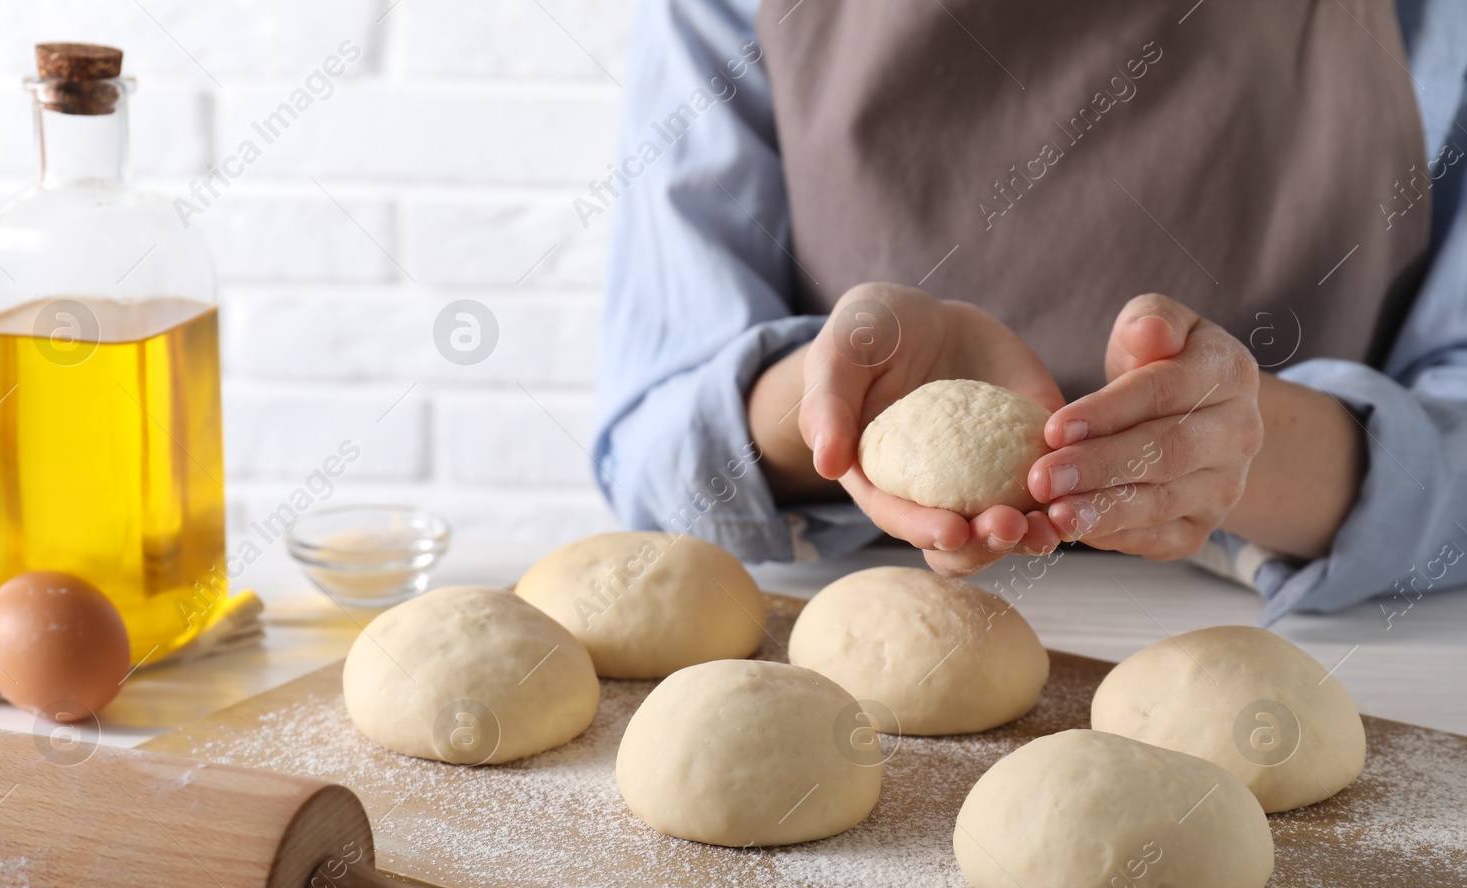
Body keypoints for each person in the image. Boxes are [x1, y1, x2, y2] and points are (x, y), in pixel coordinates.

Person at [590, 0, 1467, 624]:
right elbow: (653, 450)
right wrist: (832, 406)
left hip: (1305, 635)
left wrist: (1251, 446)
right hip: (861, 621)